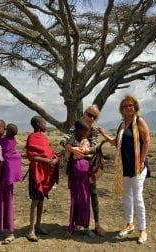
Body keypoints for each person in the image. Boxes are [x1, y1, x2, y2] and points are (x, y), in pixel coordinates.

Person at [98, 94, 150, 244]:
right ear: (121, 109)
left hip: (137, 166)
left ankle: (142, 230)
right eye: (125, 106)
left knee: (138, 198)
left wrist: (141, 161)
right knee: (127, 196)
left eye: (130, 105)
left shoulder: (139, 121)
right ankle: (129, 225)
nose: (128, 108)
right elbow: (117, 143)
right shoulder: (122, 125)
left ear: (135, 107)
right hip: (124, 166)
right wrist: (104, 135)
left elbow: (146, 141)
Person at [59, 105, 106, 236]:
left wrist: (85, 150)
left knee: (93, 195)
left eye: (94, 116)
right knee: (77, 197)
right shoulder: (76, 127)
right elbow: (62, 141)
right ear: (84, 113)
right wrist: (71, 148)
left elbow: (95, 148)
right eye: (89, 114)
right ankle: (76, 224)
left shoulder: (94, 131)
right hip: (76, 168)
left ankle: (96, 225)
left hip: (89, 168)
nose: (90, 118)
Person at [25, 116, 59, 242]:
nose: (46, 124)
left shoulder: (44, 138)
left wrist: (55, 158)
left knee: (41, 201)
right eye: (44, 122)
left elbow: (49, 152)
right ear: (39, 124)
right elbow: (31, 156)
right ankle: (31, 230)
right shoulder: (32, 137)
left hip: (44, 173)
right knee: (35, 201)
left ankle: (38, 225)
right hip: (36, 173)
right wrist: (46, 160)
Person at [66, 119, 94, 238]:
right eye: (86, 131)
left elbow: (90, 153)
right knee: (75, 200)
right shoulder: (71, 141)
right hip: (75, 176)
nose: (88, 133)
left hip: (84, 177)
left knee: (86, 200)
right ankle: (72, 226)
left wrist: (85, 153)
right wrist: (73, 150)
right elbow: (69, 156)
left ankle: (86, 226)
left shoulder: (85, 141)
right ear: (80, 131)